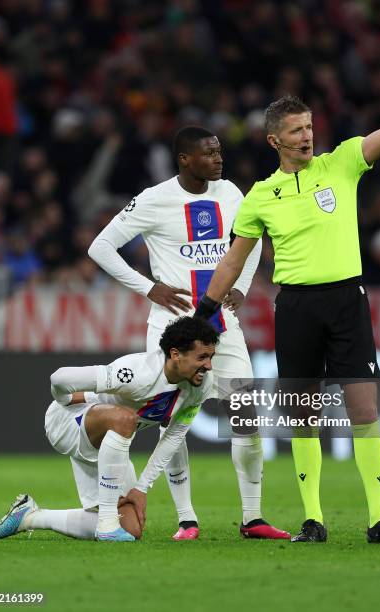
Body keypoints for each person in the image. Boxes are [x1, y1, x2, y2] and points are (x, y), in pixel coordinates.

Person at [195, 41, 380, 544]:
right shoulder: (261, 195)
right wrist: (205, 313)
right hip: (297, 305)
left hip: (347, 298)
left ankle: (379, 519)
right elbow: (234, 259)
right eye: (296, 131)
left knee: (364, 409)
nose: (307, 137)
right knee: (302, 413)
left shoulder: (342, 161)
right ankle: (313, 520)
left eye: (308, 127)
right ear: (273, 141)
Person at [88, 126, 289, 540]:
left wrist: (242, 287)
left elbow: (249, 240)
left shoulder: (231, 193)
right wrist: (149, 288)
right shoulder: (154, 199)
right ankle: (187, 519)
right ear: (185, 159)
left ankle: (252, 517)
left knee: (246, 415)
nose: (219, 159)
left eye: (219, 152)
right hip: (172, 329)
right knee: (171, 421)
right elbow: (100, 247)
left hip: (222, 326)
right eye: (210, 153)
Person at [0, 317, 218, 542]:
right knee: (125, 419)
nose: (208, 365)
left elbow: (174, 436)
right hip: (68, 422)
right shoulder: (137, 372)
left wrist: (140, 488)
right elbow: (58, 378)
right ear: (176, 354)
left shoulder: (200, 386)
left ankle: (30, 517)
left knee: (131, 528)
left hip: (110, 445)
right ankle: (107, 523)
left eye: (211, 357)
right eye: (202, 357)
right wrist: (65, 400)